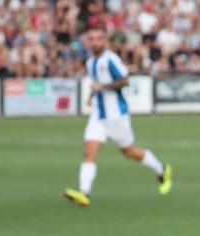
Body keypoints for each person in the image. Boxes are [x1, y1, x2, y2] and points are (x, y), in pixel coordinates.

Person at [64, 27, 173, 207]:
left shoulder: (110, 59)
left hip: (116, 115)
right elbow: (96, 84)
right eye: (92, 39)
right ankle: (84, 193)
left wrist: (103, 87)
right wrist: (92, 95)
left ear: (104, 41)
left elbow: (125, 80)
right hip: (98, 114)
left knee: (129, 152)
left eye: (98, 38)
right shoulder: (91, 62)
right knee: (88, 152)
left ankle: (161, 170)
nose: (95, 42)